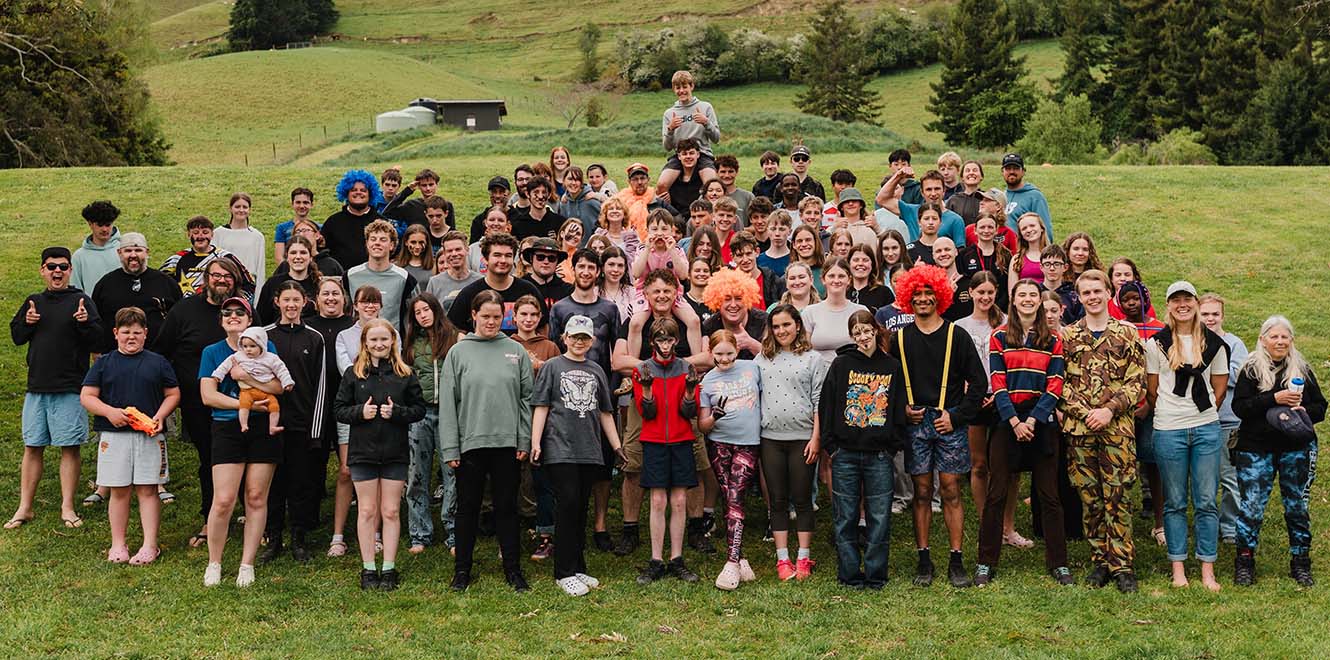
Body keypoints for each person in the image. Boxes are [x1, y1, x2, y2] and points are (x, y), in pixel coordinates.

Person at [889, 264, 987, 588]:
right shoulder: (899, 338)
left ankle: (956, 560)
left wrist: (957, 416)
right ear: (908, 299)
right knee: (921, 490)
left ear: (939, 296)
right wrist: (903, 410)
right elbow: (890, 384)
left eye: (928, 292)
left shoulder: (956, 335)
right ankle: (924, 558)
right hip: (915, 424)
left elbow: (979, 382)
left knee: (950, 488)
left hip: (948, 423)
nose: (923, 298)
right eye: (916, 294)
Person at [973, 279, 1072, 586]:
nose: (1028, 299)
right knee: (996, 493)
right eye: (1022, 295)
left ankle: (1059, 563)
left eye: (1033, 295)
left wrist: (1034, 420)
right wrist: (1015, 421)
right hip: (1008, 420)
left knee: (1049, 495)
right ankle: (985, 562)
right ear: (1013, 301)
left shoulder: (1053, 338)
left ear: (1040, 302)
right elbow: (998, 381)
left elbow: (1055, 382)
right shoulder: (999, 336)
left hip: (1040, 422)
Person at [1059, 269, 1147, 593]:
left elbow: (1137, 381)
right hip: (1081, 430)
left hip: (1117, 428)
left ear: (1108, 293)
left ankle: (1122, 564)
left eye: (1098, 291)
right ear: (1079, 297)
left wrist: (1108, 410)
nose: (1092, 297)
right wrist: (1087, 414)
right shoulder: (1069, 337)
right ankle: (1100, 561)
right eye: (1086, 293)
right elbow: (1060, 384)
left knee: (1118, 494)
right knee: (1091, 497)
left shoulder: (1126, 334)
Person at [441, 290, 534, 593]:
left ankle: (513, 569)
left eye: (497, 317)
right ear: (474, 316)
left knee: (507, 507)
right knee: (467, 508)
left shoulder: (515, 351)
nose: (492, 322)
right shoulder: (458, 353)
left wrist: (524, 439)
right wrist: (451, 446)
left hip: (508, 442)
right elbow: (448, 404)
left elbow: (526, 400)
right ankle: (462, 570)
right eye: (486, 316)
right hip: (470, 443)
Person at [5, 247, 102, 531]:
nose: (56, 271)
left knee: (69, 448)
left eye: (62, 266)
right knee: (32, 446)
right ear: (42, 271)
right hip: (37, 387)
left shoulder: (81, 300)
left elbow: (98, 339)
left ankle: (67, 506)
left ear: (70, 270)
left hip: (70, 387)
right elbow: (16, 336)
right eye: (51, 266)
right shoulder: (33, 301)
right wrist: (27, 322)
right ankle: (25, 507)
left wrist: (85, 323)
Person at [531, 315, 624, 596]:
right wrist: (535, 442)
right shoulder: (552, 367)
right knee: (567, 505)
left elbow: (605, 412)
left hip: (590, 449)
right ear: (565, 338)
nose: (579, 342)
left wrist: (617, 446)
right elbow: (541, 406)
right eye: (575, 337)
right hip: (560, 447)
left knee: (581, 507)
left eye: (585, 337)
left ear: (592, 341)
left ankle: (578, 566)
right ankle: (563, 572)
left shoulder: (596, 370)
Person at [1146, 281, 1229, 591]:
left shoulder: (1214, 343)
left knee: (1207, 500)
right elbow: (1152, 389)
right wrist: (1172, 411)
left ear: (1195, 303)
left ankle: (1207, 568)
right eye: (1175, 300)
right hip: (1169, 428)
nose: (1182, 305)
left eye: (1187, 299)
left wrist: (1201, 413)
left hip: (1206, 426)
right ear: (1168, 306)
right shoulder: (1157, 343)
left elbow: (1219, 387)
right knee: (1175, 501)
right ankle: (1178, 566)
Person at [152, 257, 241, 546]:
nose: (221, 280)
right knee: (210, 460)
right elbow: (161, 352)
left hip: (242, 401)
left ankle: (248, 514)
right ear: (205, 279)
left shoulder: (241, 312)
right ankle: (210, 518)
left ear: (235, 281)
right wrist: (170, 392)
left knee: (244, 458)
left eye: (227, 277)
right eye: (216, 275)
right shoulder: (185, 311)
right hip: (197, 402)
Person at [79, 307, 179, 564]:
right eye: (126, 332)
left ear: (146, 334)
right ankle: (118, 544)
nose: (131, 337)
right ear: (115, 333)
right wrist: (109, 412)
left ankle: (149, 545)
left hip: (149, 435)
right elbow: (87, 396)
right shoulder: (104, 363)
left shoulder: (158, 362)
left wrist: (159, 416)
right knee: (119, 490)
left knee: (147, 490)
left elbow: (173, 394)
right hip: (114, 436)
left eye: (137, 332)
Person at [1231, 315, 1324, 587]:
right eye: (1274, 336)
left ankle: (1300, 562)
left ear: (1291, 340)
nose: (1280, 341)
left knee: (1297, 506)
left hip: (1296, 447)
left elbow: (1321, 406)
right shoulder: (1251, 368)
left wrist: (1304, 411)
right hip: (1256, 448)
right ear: (1263, 339)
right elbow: (1240, 408)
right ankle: (1245, 562)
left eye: (1285, 337)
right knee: (1252, 507)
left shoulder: (1302, 369)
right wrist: (1274, 399)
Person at [333, 318, 425, 590]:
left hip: (394, 452)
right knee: (367, 510)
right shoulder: (354, 374)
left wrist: (397, 413)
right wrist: (360, 412)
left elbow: (419, 409)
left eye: (384, 339)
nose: (379, 344)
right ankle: (368, 568)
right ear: (364, 343)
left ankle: (389, 567)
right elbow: (339, 409)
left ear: (392, 341)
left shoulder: (405, 374)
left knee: (391, 510)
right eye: (373, 340)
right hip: (363, 452)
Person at [198, 296, 284, 588]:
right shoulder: (212, 352)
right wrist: (243, 405)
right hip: (226, 428)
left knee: (256, 496)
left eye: (240, 312)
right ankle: (215, 562)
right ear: (221, 320)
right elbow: (208, 395)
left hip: (263, 428)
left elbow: (278, 386)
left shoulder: (265, 347)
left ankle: (247, 564)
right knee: (223, 500)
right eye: (227, 312)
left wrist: (247, 377)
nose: (233, 316)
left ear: (250, 321)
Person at [819, 310, 906, 589]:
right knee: (845, 516)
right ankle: (849, 574)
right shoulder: (841, 364)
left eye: (867, 330)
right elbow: (827, 405)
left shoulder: (891, 366)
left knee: (879, 516)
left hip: (879, 454)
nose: (863, 336)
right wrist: (831, 446)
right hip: (845, 452)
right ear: (852, 336)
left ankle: (875, 574)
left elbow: (897, 407)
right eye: (857, 333)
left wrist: (892, 445)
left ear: (875, 331)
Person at [753, 305, 827, 580]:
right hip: (771, 438)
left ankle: (804, 557)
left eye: (786, 325)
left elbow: (819, 401)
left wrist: (816, 438)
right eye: (776, 326)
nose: (782, 331)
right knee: (778, 500)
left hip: (803, 439)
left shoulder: (812, 359)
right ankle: (782, 559)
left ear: (797, 325)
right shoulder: (763, 358)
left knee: (803, 498)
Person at [954, 272, 1026, 548]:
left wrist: (999, 393)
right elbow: (957, 366)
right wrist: (968, 391)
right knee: (979, 464)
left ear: (996, 294)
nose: (985, 297)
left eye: (990, 293)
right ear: (971, 293)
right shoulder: (959, 326)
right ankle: (989, 523)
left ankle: (1008, 526)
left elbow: (1016, 362)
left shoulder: (1008, 324)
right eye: (980, 292)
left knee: (1007, 466)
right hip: (973, 399)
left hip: (1003, 399)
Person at [257, 282, 328, 563]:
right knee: (272, 484)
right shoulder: (263, 335)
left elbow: (320, 386)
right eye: (286, 300)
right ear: (277, 302)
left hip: (301, 422)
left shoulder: (314, 338)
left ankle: (299, 537)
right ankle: (273, 537)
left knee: (300, 483)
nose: (291, 305)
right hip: (268, 422)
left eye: (296, 300)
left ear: (305, 302)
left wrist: (316, 429)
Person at [630, 317, 703, 585]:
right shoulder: (642, 370)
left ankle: (677, 558)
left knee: (680, 501)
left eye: (669, 339)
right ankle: (655, 560)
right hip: (654, 440)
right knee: (658, 500)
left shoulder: (686, 368)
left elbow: (690, 411)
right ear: (652, 342)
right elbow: (646, 412)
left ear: (676, 341)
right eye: (660, 339)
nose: (665, 344)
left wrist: (689, 391)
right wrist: (647, 390)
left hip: (682, 439)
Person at [696, 330, 762, 590]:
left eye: (729, 353)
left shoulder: (751, 368)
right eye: (719, 354)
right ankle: (741, 558)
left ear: (737, 349)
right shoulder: (707, 382)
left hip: (748, 443)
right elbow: (703, 426)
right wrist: (715, 416)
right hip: (719, 444)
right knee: (729, 500)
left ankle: (731, 562)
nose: (724, 359)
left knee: (736, 497)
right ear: (711, 353)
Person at [305, 277, 357, 557]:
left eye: (336, 294)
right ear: (317, 298)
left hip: (347, 401)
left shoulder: (352, 327)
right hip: (316, 402)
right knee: (314, 460)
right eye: (326, 294)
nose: (331, 299)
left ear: (344, 299)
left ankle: (358, 518)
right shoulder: (308, 325)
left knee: (349, 465)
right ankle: (311, 517)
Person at [1197, 293, 1248, 544]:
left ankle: (1229, 526)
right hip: (1198, 421)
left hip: (1228, 421)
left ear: (1222, 316)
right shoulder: (1192, 341)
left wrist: (1212, 372)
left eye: (1215, 314)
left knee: (1230, 478)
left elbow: (1239, 376)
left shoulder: (1234, 344)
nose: (1210, 319)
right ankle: (1205, 523)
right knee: (1203, 480)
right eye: (1205, 314)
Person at [90, 232, 181, 355]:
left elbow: (179, 321)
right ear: (119, 253)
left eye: (138, 250)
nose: (133, 255)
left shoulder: (166, 283)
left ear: (147, 252)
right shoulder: (105, 284)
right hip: (115, 359)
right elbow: (97, 323)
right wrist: (97, 352)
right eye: (127, 250)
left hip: (159, 358)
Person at [209, 326, 293, 436]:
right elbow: (225, 365)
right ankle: (244, 424)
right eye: (245, 346)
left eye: (252, 346)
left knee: (274, 406)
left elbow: (282, 370)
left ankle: (272, 427)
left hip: (265, 391)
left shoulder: (271, 358)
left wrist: (287, 382)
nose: (248, 349)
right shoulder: (239, 356)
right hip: (246, 391)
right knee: (244, 405)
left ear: (262, 346)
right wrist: (218, 375)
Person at [347, 219, 418, 333]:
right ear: (367, 244)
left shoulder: (405, 279)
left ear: (392, 245)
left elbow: (414, 315)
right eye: (373, 239)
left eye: (383, 239)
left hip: (392, 343)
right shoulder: (350, 276)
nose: (377, 243)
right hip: (357, 341)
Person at [657, 70, 720, 196]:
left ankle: (709, 212)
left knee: (712, 185)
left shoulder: (705, 107)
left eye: (684, 87)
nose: (681, 91)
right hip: (680, 155)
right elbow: (667, 147)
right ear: (674, 90)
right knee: (661, 185)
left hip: (702, 153)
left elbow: (716, 138)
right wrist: (670, 130)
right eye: (677, 88)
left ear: (691, 86)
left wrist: (706, 122)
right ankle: (671, 212)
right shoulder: (669, 113)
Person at [160, 215, 255, 298]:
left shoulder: (225, 257)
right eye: (196, 232)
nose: (200, 236)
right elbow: (159, 283)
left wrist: (235, 303)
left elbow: (249, 283)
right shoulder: (176, 259)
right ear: (189, 235)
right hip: (186, 311)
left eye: (205, 232)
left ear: (212, 234)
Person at [875, 169, 966, 247]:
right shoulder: (911, 211)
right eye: (928, 189)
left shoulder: (955, 220)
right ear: (922, 193)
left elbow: (959, 251)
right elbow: (882, 199)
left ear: (944, 191)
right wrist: (898, 176)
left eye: (937, 189)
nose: (933, 194)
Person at [803, 258, 867, 364]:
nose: (836, 281)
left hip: (853, 373)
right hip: (819, 375)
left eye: (841, 276)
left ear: (849, 280)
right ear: (823, 279)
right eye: (831, 276)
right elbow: (804, 352)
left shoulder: (860, 311)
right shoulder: (810, 312)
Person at [322, 170, 385, 269]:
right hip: (341, 278)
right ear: (346, 193)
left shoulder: (381, 222)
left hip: (375, 277)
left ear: (370, 194)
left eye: (363, 190)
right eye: (353, 190)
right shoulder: (333, 222)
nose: (358, 193)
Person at [700, 268, 766, 360]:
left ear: (747, 299)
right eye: (727, 299)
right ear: (718, 301)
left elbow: (778, 359)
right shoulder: (709, 326)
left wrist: (751, 344)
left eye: (738, 298)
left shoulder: (764, 321)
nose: (733, 305)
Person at [256, 235, 321, 326]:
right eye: (293, 253)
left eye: (303, 252)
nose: (298, 257)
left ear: (310, 257)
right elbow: (261, 318)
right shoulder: (272, 283)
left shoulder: (318, 284)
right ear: (287, 257)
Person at [212, 192, 266, 293]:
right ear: (230, 209)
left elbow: (260, 269)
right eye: (237, 207)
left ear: (250, 210)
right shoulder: (218, 233)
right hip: (224, 284)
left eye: (245, 207)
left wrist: (259, 293)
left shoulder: (257, 236)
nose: (241, 210)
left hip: (248, 286)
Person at [71, 200, 123, 294]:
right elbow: (75, 291)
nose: (104, 229)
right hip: (91, 307)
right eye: (100, 225)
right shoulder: (79, 257)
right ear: (90, 224)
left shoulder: (125, 250)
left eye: (108, 224)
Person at [999, 153, 1053, 239]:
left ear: (1023, 171)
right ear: (1002, 172)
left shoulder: (1035, 196)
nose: (1012, 172)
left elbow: (1045, 228)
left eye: (1016, 168)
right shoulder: (1000, 197)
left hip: (1024, 250)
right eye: (1008, 168)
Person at [382, 168, 455, 231]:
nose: (428, 189)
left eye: (431, 184)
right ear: (419, 186)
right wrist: (406, 191)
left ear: (437, 185)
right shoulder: (411, 205)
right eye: (424, 185)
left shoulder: (446, 205)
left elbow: (451, 229)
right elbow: (387, 213)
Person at [426, 230, 482, 313]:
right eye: (449, 251)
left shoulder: (480, 281)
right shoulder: (434, 283)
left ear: (467, 250)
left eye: (458, 249)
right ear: (444, 253)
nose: (454, 254)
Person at [521, 237, 573, 314]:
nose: (546, 262)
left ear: (557, 261)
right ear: (531, 258)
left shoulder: (568, 291)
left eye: (551, 258)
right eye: (540, 257)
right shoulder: (520, 287)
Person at [510, 176, 566, 241]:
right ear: (528, 194)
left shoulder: (560, 222)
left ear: (549, 195)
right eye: (536, 192)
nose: (540, 196)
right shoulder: (518, 225)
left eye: (544, 192)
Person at [1007, 213, 1050, 298]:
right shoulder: (1017, 259)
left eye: (1032, 225)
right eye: (1024, 228)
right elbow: (1012, 292)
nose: (1029, 230)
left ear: (1041, 228)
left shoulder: (1052, 255)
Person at [559, 166, 603, 246]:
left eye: (577, 180)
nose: (573, 183)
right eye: (570, 179)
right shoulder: (564, 203)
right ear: (564, 181)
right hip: (571, 248)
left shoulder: (591, 200)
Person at [273, 187, 315, 264]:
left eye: (306, 202)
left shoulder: (318, 228)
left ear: (311, 205)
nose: (302, 206)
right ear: (292, 204)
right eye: (298, 202)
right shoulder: (282, 228)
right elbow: (279, 257)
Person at [847, 244, 893, 313]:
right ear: (849, 264)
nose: (860, 263)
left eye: (865, 260)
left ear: (872, 264)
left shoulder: (884, 293)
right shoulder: (842, 292)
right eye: (856, 260)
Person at [592, 197, 641, 262]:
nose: (614, 211)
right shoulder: (598, 235)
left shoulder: (632, 238)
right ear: (605, 214)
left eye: (618, 209)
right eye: (611, 209)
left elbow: (640, 259)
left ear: (624, 214)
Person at [468, 176, 513, 244]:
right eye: (494, 192)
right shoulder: (478, 220)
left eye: (501, 192)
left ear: (509, 194)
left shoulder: (519, 219)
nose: (497, 196)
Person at [714, 155, 755, 224]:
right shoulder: (710, 196)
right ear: (716, 172)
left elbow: (756, 225)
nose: (727, 175)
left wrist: (738, 230)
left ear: (737, 172)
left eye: (730, 171)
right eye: (723, 172)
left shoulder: (748, 197)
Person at [394, 225, 436, 291]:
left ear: (427, 243)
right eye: (413, 242)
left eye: (421, 242)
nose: (417, 246)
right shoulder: (396, 267)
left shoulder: (434, 266)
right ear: (406, 242)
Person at [945, 160, 984, 225]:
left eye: (975, 170)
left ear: (981, 176)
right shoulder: (953, 200)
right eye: (967, 171)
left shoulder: (987, 198)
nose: (971, 173)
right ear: (962, 177)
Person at [758, 209, 793, 278]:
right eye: (773, 229)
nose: (777, 234)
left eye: (782, 229)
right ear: (767, 230)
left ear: (790, 231)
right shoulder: (758, 260)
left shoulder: (795, 259)